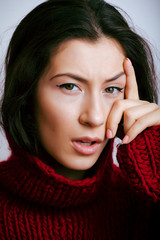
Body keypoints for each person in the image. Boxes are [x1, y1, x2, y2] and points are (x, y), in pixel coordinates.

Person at [0, 0, 160, 239]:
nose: (94, 117)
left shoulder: (146, 202)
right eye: (70, 86)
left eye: (112, 89)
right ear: (27, 92)